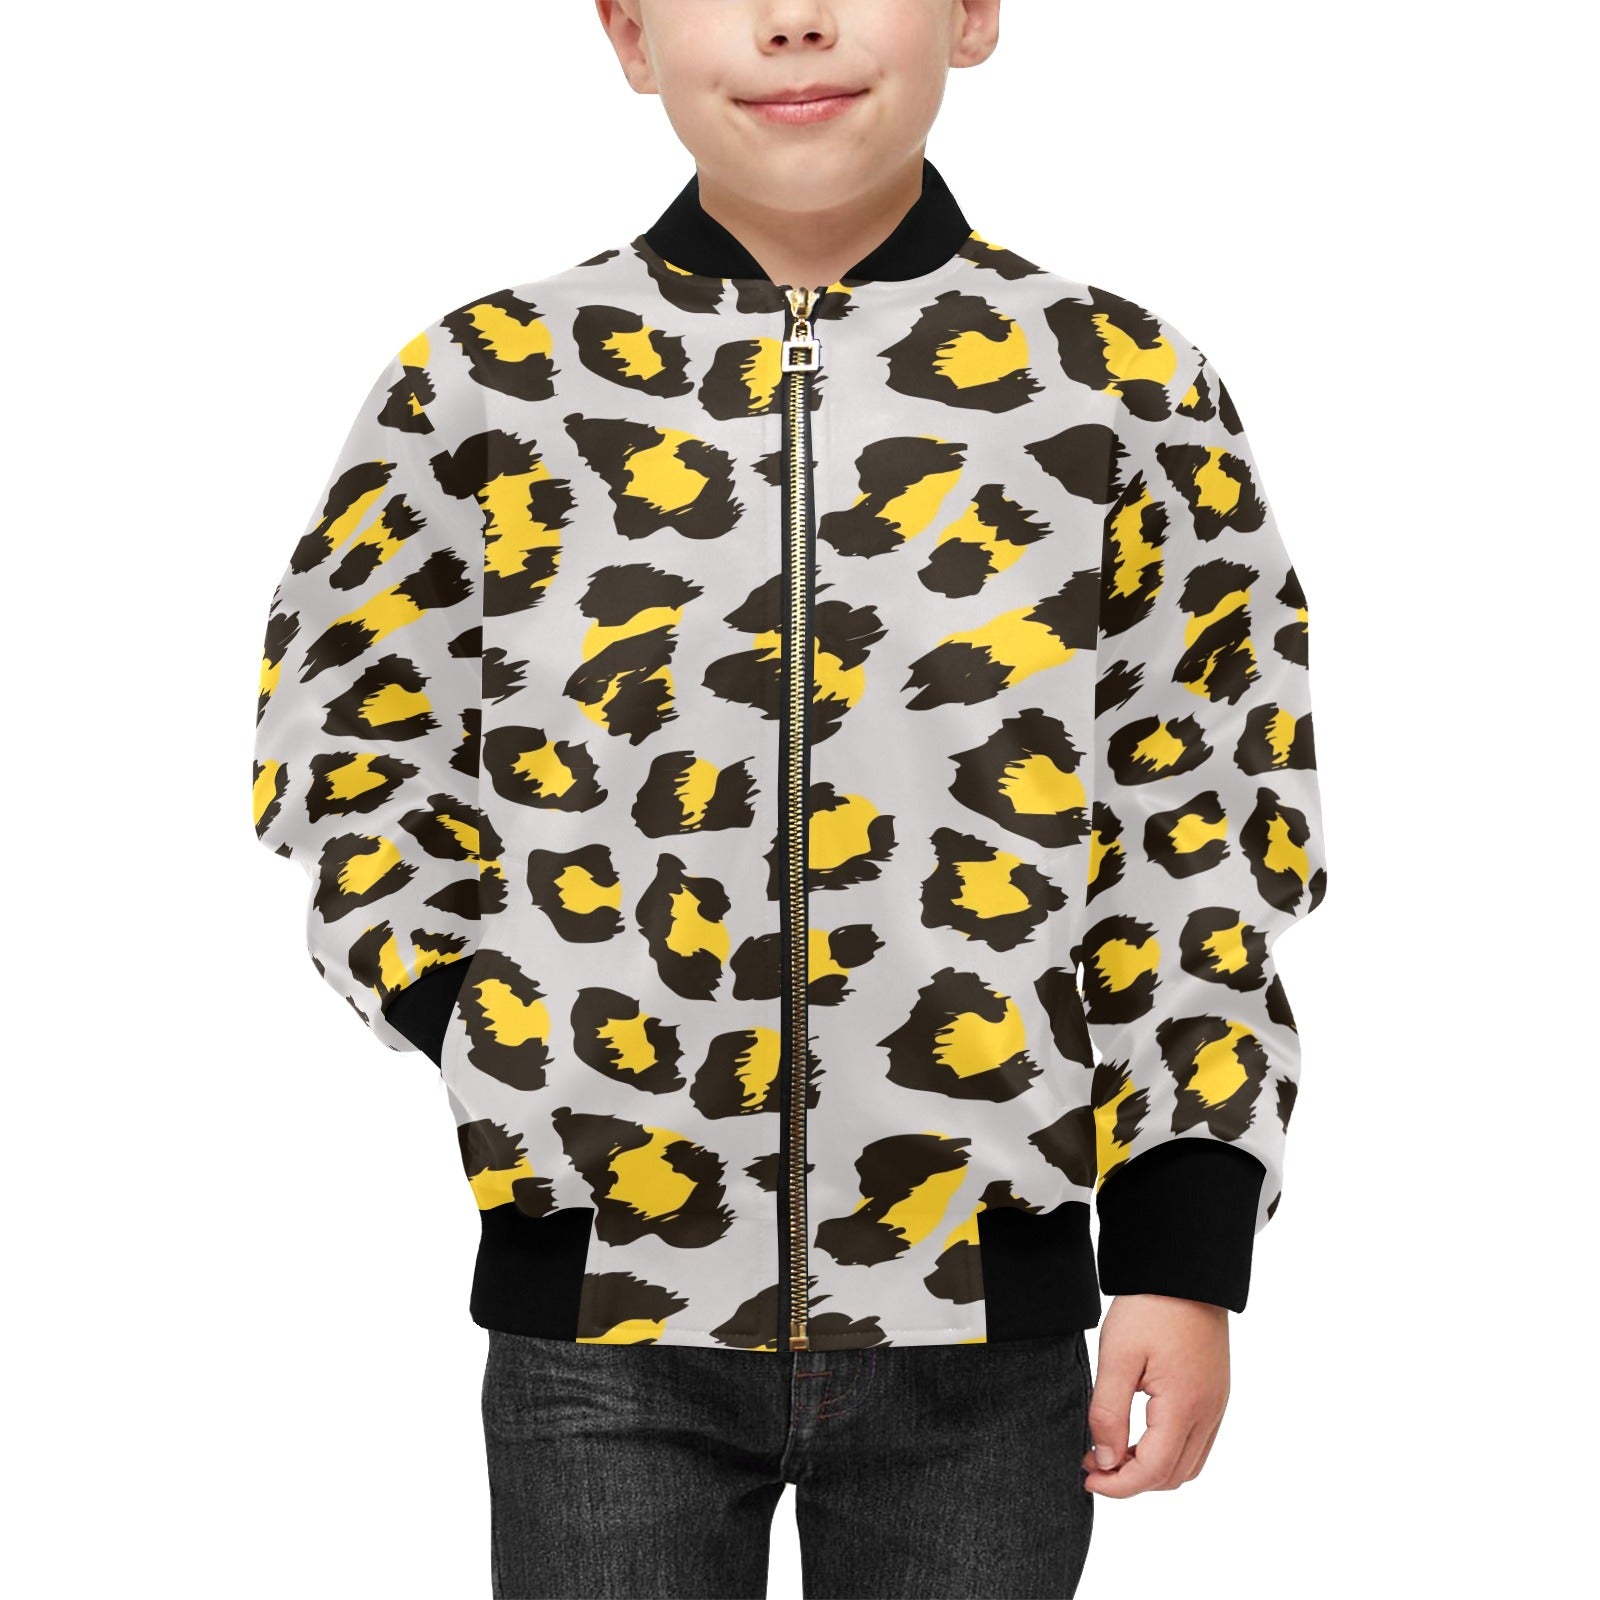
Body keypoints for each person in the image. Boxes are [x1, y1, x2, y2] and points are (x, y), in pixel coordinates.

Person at [249, 1, 1328, 1595]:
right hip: (600, 1318)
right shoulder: (489, 385)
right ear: (629, 33)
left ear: (972, 14)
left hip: (988, 1312)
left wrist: (1182, 1243)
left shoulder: (1116, 389)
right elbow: (348, 737)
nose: (795, 18)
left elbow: (1211, 812)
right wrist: (494, 1018)